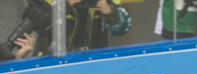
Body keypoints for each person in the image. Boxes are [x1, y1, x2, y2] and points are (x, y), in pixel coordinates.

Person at [1, 0, 131, 61]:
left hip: (94, 61)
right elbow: (33, 20)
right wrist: (64, 6)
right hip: (53, 63)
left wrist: (108, 10)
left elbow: (122, 28)